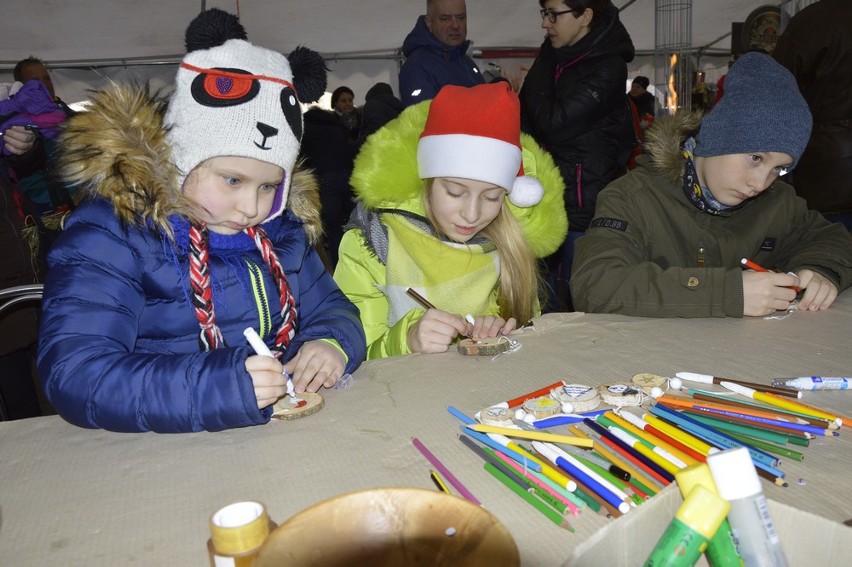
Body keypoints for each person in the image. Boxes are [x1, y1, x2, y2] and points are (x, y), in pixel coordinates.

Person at [36, 9, 366, 433]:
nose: (250, 207)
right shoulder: (115, 234)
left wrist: (331, 342)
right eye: (232, 180)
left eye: (269, 187)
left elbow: (335, 308)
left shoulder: (282, 231)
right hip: (159, 456)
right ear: (183, 161)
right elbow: (76, 373)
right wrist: (220, 388)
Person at [570, 52, 852, 318]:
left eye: (778, 168)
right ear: (718, 138)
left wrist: (821, 270)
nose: (759, 183)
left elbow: (835, 241)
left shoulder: (779, 202)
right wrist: (727, 292)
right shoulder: (632, 197)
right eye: (755, 158)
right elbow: (592, 284)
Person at [333, 82, 567, 359]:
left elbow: (528, 337)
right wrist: (406, 339)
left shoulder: (510, 245)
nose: (471, 214)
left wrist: (498, 330)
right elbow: (349, 350)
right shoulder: (373, 241)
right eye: (455, 192)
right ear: (428, 181)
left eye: (492, 197)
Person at [519, 0, 636, 311]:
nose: (546, 24)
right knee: (543, 297)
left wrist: (543, 66)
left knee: (575, 302)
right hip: (547, 195)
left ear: (585, 16)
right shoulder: (558, 54)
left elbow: (552, 124)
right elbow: (524, 119)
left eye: (553, 14)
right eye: (544, 13)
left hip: (584, 204)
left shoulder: (608, 65)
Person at [773, 0, 852, 230]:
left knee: (827, 256)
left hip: (825, 176)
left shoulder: (812, 22)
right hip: (828, 174)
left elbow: (776, 93)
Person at [2, 57, 76, 215]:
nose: (45, 84)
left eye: (47, 78)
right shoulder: (18, 123)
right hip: (54, 210)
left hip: (90, 198)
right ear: (22, 87)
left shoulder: (69, 114)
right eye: (35, 81)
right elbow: (24, 176)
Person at [300, 104, 357, 270]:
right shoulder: (335, 125)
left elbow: (304, 159)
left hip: (325, 180)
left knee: (334, 228)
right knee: (357, 222)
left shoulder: (306, 129)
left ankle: (341, 267)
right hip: (347, 176)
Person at [398, 0, 485, 108]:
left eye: (461, 17)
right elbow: (422, 122)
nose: (455, 25)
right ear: (429, 22)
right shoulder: (417, 67)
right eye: (446, 19)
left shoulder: (467, 62)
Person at [357, 82, 403, 146]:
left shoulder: (373, 104)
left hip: (380, 151)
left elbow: (374, 131)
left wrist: (355, 146)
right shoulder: (399, 109)